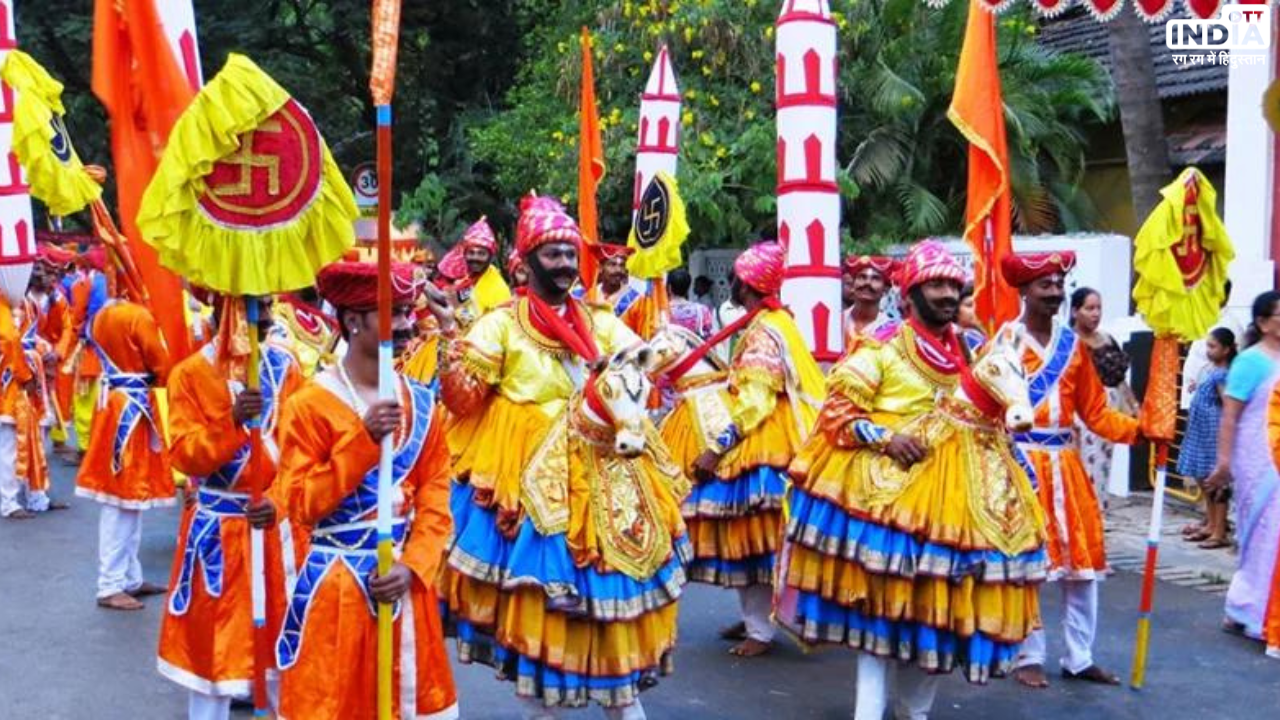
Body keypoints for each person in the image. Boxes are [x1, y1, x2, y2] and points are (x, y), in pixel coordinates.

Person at [436, 194, 687, 719]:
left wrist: (661, 347)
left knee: (613, 609)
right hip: (528, 486)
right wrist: (450, 344)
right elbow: (461, 401)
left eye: (571, 254)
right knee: (541, 621)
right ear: (526, 262)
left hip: (604, 479)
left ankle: (622, 702)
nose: (567, 264)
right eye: (553, 254)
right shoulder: (501, 324)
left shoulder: (598, 322)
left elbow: (640, 361)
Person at [775, 240, 976, 719]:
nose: (948, 294)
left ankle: (914, 709)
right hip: (883, 502)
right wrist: (886, 438)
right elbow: (837, 414)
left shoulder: (968, 346)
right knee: (880, 620)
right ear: (909, 295)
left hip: (951, 499)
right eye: (937, 285)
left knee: (938, 615)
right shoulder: (881, 344)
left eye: (954, 285)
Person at [273, 260, 458, 720]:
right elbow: (301, 503)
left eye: (405, 310)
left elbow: (437, 495)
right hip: (337, 587)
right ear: (353, 321)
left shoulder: (420, 401)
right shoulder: (308, 404)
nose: (405, 323)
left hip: (404, 586)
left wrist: (415, 565)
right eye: (391, 312)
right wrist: (362, 442)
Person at [671, 242, 825, 658]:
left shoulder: (764, 329)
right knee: (755, 541)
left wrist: (717, 448)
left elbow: (755, 399)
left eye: (738, 278)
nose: (733, 284)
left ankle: (762, 628)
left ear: (748, 285)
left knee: (753, 540)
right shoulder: (776, 320)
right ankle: (759, 617)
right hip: (774, 435)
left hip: (762, 443)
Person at [157, 294, 304, 720]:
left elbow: (303, 452)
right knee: (214, 660)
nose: (263, 319)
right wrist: (233, 422)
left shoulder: (286, 366)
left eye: (266, 308)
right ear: (224, 313)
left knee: (283, 650)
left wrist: (277, 502)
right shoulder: (189, 374)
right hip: (219, 531)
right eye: (251, 308)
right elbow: (185, 455)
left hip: (276, 532)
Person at [1002, 252, 1141, 689]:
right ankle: (1028, 653)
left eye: (1060, 284)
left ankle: (1079, 657)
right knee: (1028, 565)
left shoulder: (1074, 346)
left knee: (1082, 567)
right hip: (1021, 463)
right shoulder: (1004, 343)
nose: (1055, 293)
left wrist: (1142, 431)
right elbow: (989, 410)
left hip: (1066, 465)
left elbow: (1096, 413)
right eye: (1045, 285)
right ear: (1024, 290)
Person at [74, 286, 175, 610]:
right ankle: (110, 583)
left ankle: (129, 577)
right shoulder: (139, 315)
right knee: (123, 500)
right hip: (131, 408)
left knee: (129, 499)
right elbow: (162, 364)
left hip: (117, 405)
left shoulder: (104, 313)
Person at [1205, 291, 1280, 648]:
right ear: (1264, 323)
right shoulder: (1250, 362)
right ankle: (1248, 606)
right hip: (1256, 458)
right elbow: (1231, 416)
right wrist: (1224, 462)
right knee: (1261, 531)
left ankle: (1265, 607)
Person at [1069, 287, 1139, 513]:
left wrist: (1134, 408)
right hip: (1080, 414)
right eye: (1089, 308)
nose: (1095, 314)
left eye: (1098, 308)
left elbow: (1120, 380)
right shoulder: (1069, 342)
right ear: (1074, 311)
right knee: (1082, 467)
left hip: (1107, 412)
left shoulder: (1107, 339)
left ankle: (1097, 515)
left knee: (1101, 467)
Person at [1177, 327, 1236, 549]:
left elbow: (1227, 402)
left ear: (1226, 350)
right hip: (1201, 430)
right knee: (1204, 479)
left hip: (1213, 432)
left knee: (1216, 482)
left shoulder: (1223, 374)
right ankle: (1210, 523)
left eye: (1213, 346)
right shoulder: (1210, 369)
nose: (1208, 350)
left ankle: (1219, 530)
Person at [840, 254, 897, 351]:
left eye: (875, 278)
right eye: (862, 277)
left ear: (886, 289)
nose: (867, 283)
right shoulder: (838, 322)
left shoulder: (893, 331)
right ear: (853, 285)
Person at [593, 242, 641, 316]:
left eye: (622, 265)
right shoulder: (587, 295)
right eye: (612, 264)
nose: (618, 270)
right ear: (600, 268)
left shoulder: (636, 300)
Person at [667, 268, 714, 339]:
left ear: (669, 288)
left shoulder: (661, 312)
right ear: (688, 287)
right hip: (695, 350)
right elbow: (709, 338)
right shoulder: (702, 311)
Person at [957, 282, 987, 353]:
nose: (976, 309)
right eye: (969, 305)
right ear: (955, 311)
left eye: (979, 304)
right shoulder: (966, 337)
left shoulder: (986, 334)